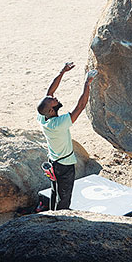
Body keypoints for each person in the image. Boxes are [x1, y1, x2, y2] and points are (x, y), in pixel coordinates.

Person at [37, 62, 94, 210]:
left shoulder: (43, 118)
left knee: (55, 191)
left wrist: (62, 72)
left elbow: (49, 92)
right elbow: (80, 106)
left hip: (53, 162)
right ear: (50, 110)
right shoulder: (59, 124)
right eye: (53, 101)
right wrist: (87, 84)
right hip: (64, 165)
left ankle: (52, 215)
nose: (55, 99)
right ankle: (60, 223)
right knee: (64, 198)